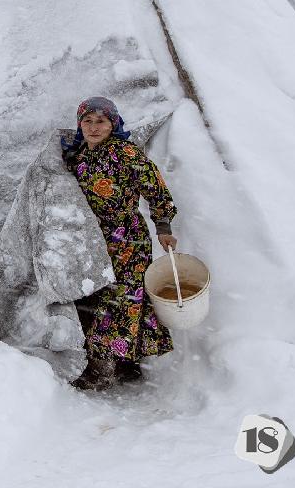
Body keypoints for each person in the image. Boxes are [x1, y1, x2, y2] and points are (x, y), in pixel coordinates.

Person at [61, 96, 178, 390]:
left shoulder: (126, 153)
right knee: (97, 299)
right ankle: (127, 363)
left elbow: (155, 188)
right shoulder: (79, 156)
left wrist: (163, 227)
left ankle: (101, 370)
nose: (94, 127)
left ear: (113, 124)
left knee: (120, 301)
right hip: (92, 241)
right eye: (87, 121)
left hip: (127, 240)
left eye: (101, 121)